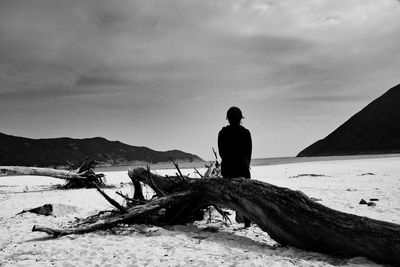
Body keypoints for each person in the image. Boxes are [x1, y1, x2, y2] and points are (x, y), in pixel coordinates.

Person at [218, 106, 252, 227]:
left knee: (234, 194)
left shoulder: (222, 133)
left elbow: (221, 153)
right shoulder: (245, 133)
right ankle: (247, 222)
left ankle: (238, 211)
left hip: (227, 170)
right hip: (242, 169)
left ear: (228, 118)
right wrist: (245, 165)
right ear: (240, 118)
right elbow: (249, 153)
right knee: (246, 195)